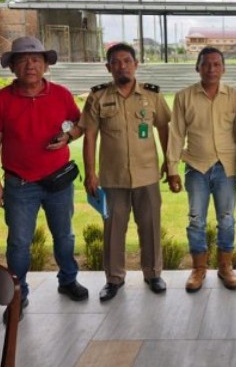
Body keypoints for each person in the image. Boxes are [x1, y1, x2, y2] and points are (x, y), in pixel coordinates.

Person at [0, 35, 88, 316]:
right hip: (19, 184)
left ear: (45, 65)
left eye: (36, 59)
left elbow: (78, 123)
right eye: (22, 60)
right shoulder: (2, 99)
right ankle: (18, 295)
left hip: (58, 182)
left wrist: (67, 137)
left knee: (64, 237)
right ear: (12, 67)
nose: (30, 65)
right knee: (18, 243)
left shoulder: (61, 94)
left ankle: (68, 280)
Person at [81, 42, 171, 301]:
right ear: (108, 67)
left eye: (127, 61)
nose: (122, 66)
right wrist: (90, 173)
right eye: (116, 62)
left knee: (150, 225)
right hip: (112, 177)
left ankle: (153, 274)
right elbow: (90, 136)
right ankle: (114, 279)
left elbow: (164, 128)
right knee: (113, 229)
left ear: (136, 64)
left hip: (147, 175)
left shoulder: (152, 95)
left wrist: (169, 162)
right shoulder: (98, 97)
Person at [166, 45, 236, 293]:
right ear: (197, 67)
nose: (211, 69)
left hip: (226, 167)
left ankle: (225, 266)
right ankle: (199, 269)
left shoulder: (233, 96)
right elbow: (176, 134)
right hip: (196, 167)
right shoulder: (184, 96)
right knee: (196, 220)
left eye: (216, 64)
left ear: (224, 68)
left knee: (227, 220)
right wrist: (172, 168)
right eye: (206, 64)